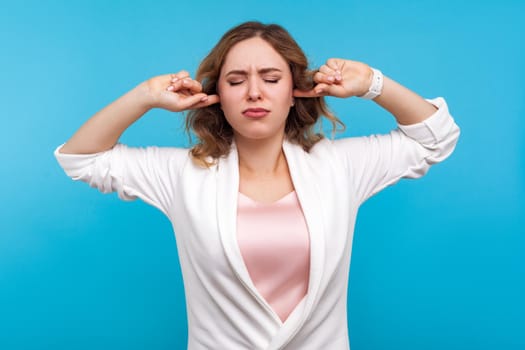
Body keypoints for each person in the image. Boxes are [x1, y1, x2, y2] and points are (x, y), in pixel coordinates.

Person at [54, 21, 460, 350]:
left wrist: (373, 82)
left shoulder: (338, 167)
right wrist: (145, 95)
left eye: (270, 78)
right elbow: (80, 157)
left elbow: (437, 139)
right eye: (235, 80)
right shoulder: (184, 175)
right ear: (216, 96)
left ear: (295, 92)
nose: (254, 92)